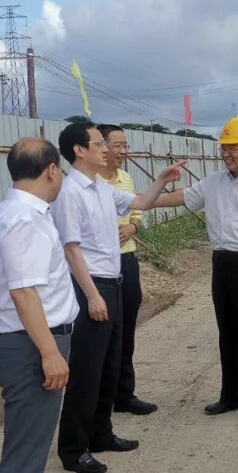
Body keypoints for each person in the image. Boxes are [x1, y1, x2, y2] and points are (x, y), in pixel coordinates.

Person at [51, 121, 183, 473]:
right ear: (79, 150)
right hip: (90, 286)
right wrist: (93, 296)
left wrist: (161, 179)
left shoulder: (101, 187)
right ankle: (73, 448)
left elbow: (139, 202)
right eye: (98, 143)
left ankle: (100, 433)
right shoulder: (70, 192)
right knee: (87, 369)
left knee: (109, 365)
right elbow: (71, 250)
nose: (106, 149)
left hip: (112, 282)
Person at [153, 117, 238, 428]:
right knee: (229, 333)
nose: (227, 153)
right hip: (222, 265)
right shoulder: (213, 183)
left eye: (234, 148)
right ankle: (231, 396)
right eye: (224, 148)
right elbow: (184, 197)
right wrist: (145, 201)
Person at [0, 138, 78, 473]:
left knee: (30, 453)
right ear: (51, 170)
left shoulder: (19, 212)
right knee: (23, 464)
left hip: (31, 343)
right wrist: (50, 353)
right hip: (32, 347)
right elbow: (24, 292)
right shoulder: (25, 218)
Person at [96, 124, 158, 416]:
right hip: (100, 267)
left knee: (127, 329)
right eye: (117, 145)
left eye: (125, 145)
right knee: (104, 333)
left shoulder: (126, 179)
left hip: (127, 260)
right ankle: (101, 396)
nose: (123, 151)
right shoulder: (90, 183)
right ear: (101, 147)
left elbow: (137, 211)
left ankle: (124, 394)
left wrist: (133, 226)